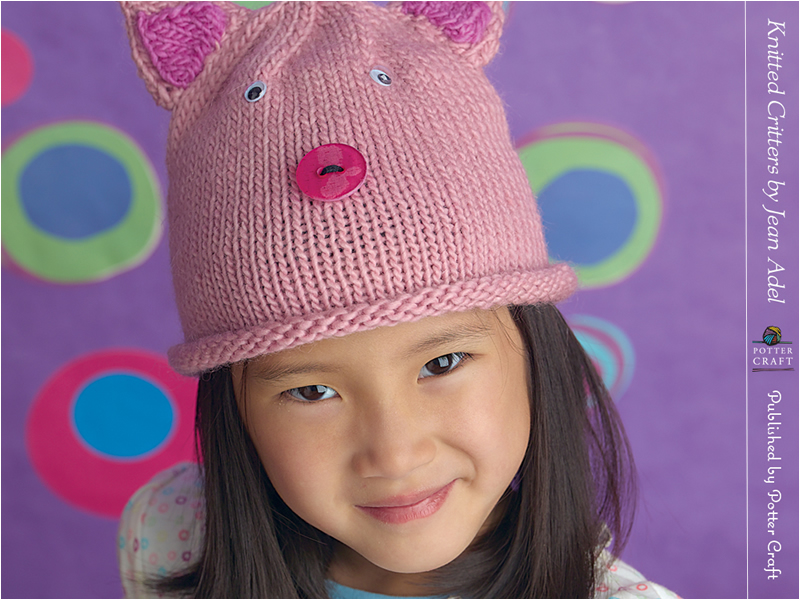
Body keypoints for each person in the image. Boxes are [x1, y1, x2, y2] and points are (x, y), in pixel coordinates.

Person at [117, 1, 679, 598]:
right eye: (312, 392)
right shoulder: (171, 536)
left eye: (442, 363)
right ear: (233, 402)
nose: (395, 454)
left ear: (535, 352)